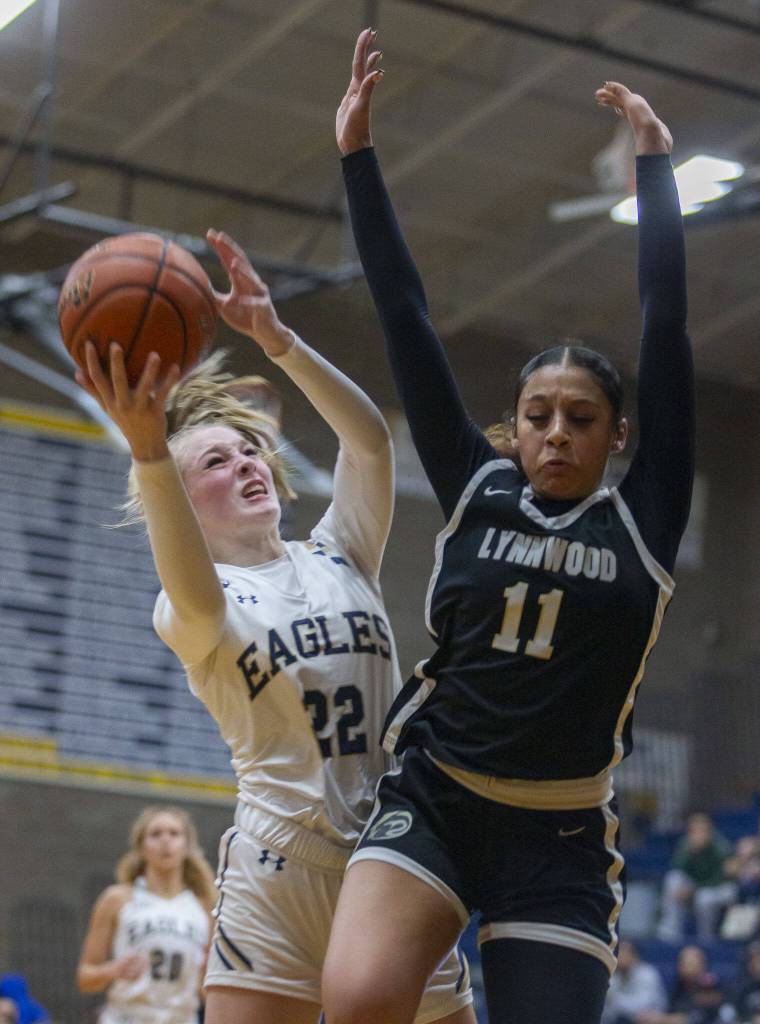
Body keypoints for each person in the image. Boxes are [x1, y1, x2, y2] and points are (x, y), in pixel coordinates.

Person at [323, 28, 694, 1024]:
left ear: (618, 435)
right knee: (357, 999)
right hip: (435, 795)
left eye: (581, 418)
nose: (557, 435)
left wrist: (655, 173)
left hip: (559, 838)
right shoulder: (479, 488)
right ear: (514, 426)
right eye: (538, 416)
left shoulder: (645, 517)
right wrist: (356, 158)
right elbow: (402, 318)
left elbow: (666, 327)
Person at [74, 228, 474, 1024]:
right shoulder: (195, 603)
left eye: (250, 450)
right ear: (183, 506)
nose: (248, 464)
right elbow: (189, 591)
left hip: (390, 859)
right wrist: (151, 452)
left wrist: (279, 339)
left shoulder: (340, 553)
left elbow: (368, 443)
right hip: (276, 869)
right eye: (215, 464)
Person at [77, 805, 216, 1024]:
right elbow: (85, 978)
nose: (165, 840)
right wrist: (112, 970)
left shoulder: (205, 907)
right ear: (141, 847)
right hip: (125, 1017)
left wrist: (209, 979)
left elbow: (206, 992)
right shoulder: (117, 899)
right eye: (155, 834)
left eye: (174, 833)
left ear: (187, 846)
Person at [658, 813, 735, 942]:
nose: (698, 834)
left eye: (702, 830)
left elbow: (721, 877)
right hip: (697, 886)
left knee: (704, 899)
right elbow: (677, 868)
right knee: (672, 879)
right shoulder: (686, 845)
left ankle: (706, 938)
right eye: (694, 830)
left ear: (710, 831)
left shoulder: (720, 846)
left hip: (719, 888)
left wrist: (694, 890)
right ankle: (670, 930)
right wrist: (691, 852)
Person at [602, 940, 668, 1024]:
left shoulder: (647, 974)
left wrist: (613, 998)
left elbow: (640, 1008)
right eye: (618, 954)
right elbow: (608, 1012)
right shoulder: (615, 975)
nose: (620, 957)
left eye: (624, 953)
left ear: (634, 956)